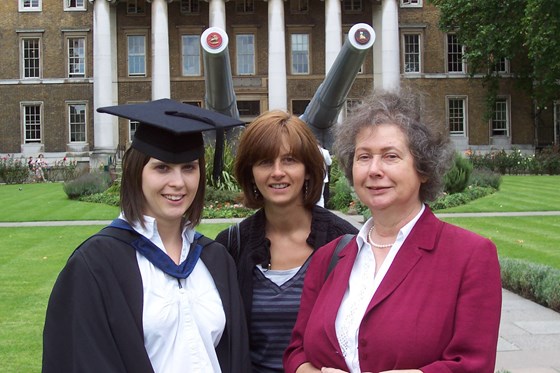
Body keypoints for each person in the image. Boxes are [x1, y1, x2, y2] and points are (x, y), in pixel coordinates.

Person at [284, 90, 502, 373]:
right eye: (363, 157)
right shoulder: (329, 257)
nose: (374, 170)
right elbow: (296, 351)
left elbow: (473, 365)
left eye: (390, 156)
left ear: (423, 168)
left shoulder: (469, 257)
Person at [43, 99, 251, 373]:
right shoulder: (95, 265)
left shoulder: (215, 260)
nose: (178, 182)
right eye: (162, 168)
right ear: (136, 171)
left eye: (189, 167)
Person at [214, 110, 358, 373]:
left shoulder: (344, 242)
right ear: (251, 172)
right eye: (265, 162)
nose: (277, 172)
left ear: (308, 169)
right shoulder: (232, 246)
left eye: (290, 160)